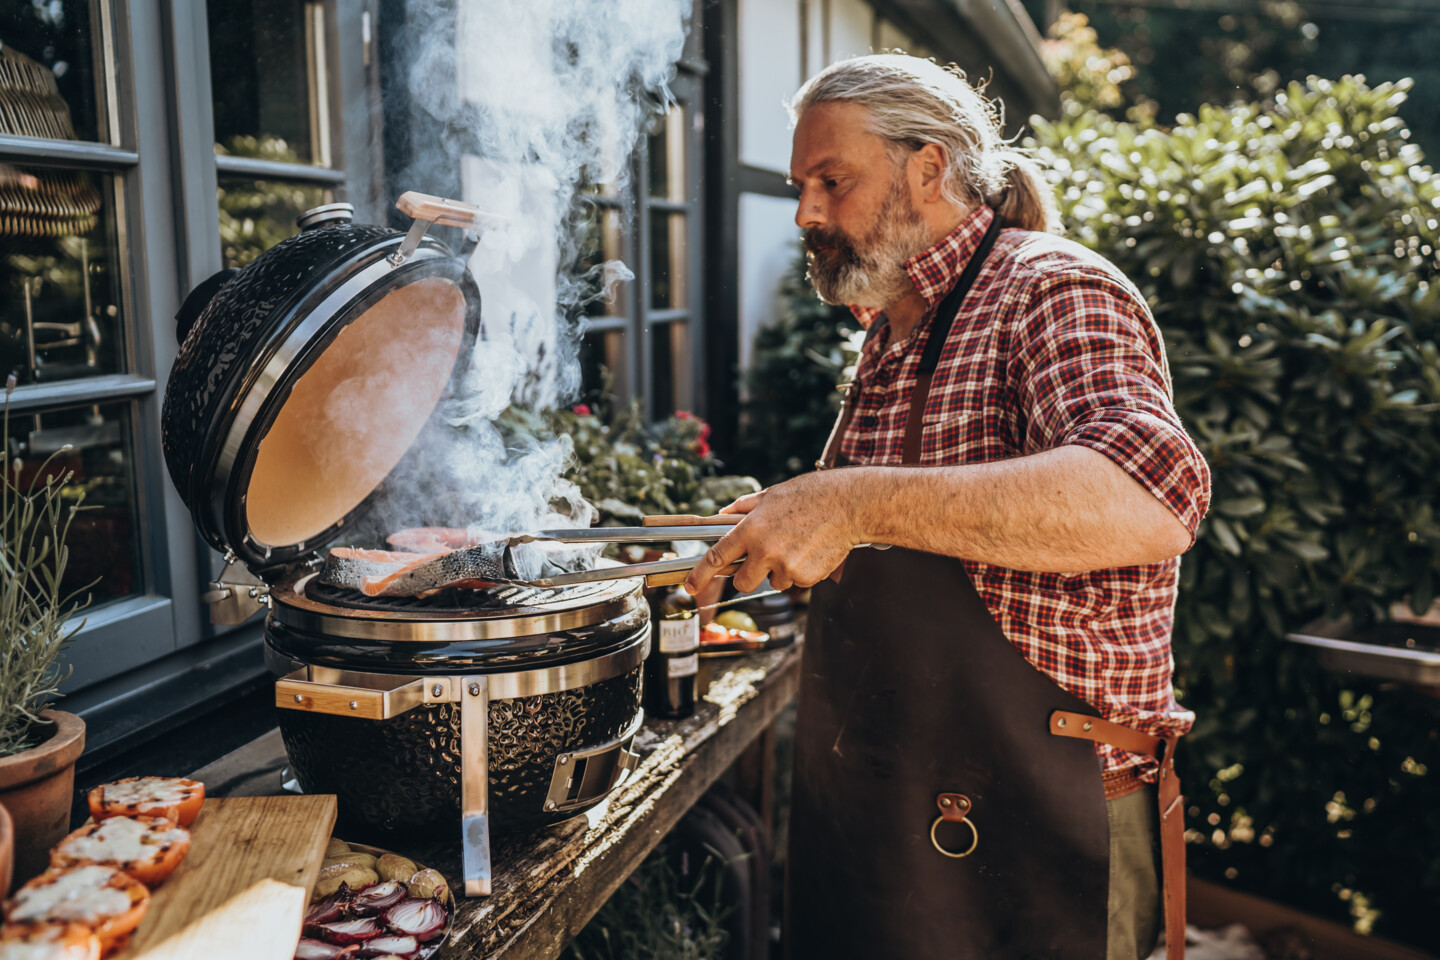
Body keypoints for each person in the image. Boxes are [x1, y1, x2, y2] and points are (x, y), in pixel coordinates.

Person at [685, 54, 1211, 960]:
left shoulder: (1049, 287)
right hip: (891, 804)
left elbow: (1149, 495)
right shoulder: (898, 328)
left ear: (929, 168)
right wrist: (800, 526)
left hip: (1039, 820)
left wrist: (850, 502)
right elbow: (906, 532)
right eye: (800, 185)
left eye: (831, 181)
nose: (806, 212)